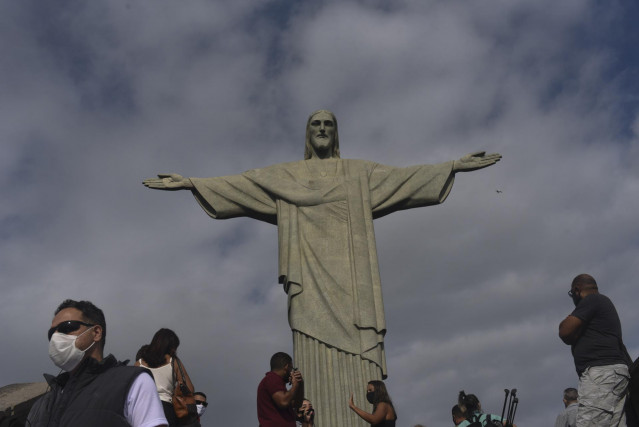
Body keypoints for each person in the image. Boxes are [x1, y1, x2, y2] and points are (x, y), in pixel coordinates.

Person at [143, 110, 501, 423]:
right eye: (316, 123)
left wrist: (452, 165)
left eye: (329, 123)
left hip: (353, 281)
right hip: (309, 281)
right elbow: (243, 184)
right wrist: (193, 183)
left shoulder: (358, 172)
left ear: (336, 132)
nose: (323, 128)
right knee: (313, 353)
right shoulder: (287, 176)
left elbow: (403, 179)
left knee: (358, 349)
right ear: (308, 133)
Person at [27, 299, 167, 427]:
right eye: (51, 334)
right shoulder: (41, 404)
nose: (56, 337)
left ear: (96, 332)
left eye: (67, 327)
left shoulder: (133, 381)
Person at [559, 274, 632, 427]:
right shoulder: (602, 304)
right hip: (614, 375)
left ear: (577, 290)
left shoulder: (592, 300)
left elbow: (565, 332)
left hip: (600, 374)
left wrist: (572, 323)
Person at [135, 328, 197, 427]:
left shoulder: (139, 363)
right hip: (166, 410)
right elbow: (189, 388)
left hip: (143, 409)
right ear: (170, 346)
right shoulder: (174, 362)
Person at [257, 352, 304, 427]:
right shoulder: (272, 379)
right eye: (291, 368)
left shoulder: (278, 384)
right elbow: (283, 402)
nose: (291, 372)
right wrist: (294, 385)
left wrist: (300, 384)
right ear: (286, 366)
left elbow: (296, 404)